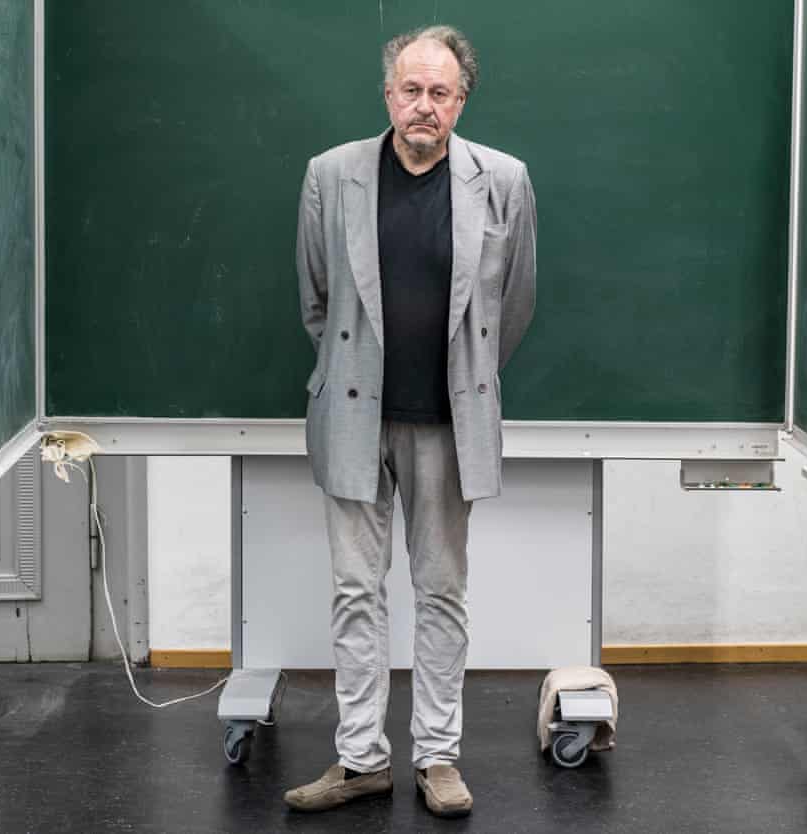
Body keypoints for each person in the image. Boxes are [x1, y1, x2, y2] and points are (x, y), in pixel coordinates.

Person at [286, 24, 536, 818]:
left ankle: (438, 757)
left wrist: (466, 380)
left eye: (439, 92)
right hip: (353, 417)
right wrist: (354, 375)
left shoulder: (503, 181)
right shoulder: (332, 175)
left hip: (449, 423)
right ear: (387, 92)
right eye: (409, 89)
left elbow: (514, 306)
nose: (422, 106)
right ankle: (361, 758)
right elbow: (316, 300)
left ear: (461, 100)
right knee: (355, 591)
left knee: (441, 592)